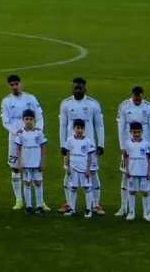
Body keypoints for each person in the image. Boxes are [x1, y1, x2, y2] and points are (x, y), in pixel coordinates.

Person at [58, 77, 106, 215]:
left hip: (89, 147)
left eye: (80, 87)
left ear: (85, 89)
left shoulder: (93, 104)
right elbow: (63, 125)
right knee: (68, 173)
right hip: (71, 147)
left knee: (93, 173)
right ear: (72, 88)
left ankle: (96, 204)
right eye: (75, 87)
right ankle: (69, 203)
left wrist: (101, 144)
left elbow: (99, 125)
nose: (77, 89)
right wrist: (63, 145)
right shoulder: (66, 104)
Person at [1, 74, 44, 210]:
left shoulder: (31, 98)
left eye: (16, 84)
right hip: (16, 138)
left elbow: (39, 116)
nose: (14, 87)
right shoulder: (6, 101)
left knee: (36, 166)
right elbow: (5, 121)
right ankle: (19, 200)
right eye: (12, 85)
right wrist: (17, 131)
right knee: (16, 167)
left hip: (32, 137)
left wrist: (39, 131)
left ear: (21, 84)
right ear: (9, 86)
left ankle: (40, 202)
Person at [116, 85, 150, 219]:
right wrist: (122, 146)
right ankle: (124, 208)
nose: (137, 100)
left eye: (139, 98)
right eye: (135, 98)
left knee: (149, 177)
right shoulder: (124, 106)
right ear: (132, 95)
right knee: (125, 176)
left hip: (145, 148)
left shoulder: (149, 107)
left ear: (142, 96)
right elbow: (121, 126)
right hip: (129, 147)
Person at [13, 109, 48, 214]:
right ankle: (28, 206)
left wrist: (42, 161)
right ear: (23, 120)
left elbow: (43, 147)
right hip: (26, 163)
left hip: (37, 163)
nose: (28, 121)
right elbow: (18, 149)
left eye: (31, 119)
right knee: (27, 183)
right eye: (26, 119)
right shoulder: (21, 133)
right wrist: (19, 162)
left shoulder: (39, 132)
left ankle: (39, 206)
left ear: (34, 120)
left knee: (38, 183)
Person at [61, 119, 98, 217]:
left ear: (84, 129)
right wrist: (68, 167)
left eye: (81, 128)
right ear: (74, 129)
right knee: (73, 188)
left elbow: (90, 157)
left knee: (87, 188)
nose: (79, 130)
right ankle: (72, 209)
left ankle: (88, 209)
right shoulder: (70, 140)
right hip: (73, 169)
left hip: (84, 169)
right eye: (78, 128)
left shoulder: (87, 141)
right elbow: (67, 155)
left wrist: (88, 169)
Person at [122, 122, 150, 221]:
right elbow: (126, 157)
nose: (136, 134)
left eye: (138, 132)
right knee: (131, 191)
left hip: (143, 172)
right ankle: (131, 212)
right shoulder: (128, 143)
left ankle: (147, 213)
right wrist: (127, 170)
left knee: (145, 192)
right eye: (134, 132)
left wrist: (149, 171)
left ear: (142, 132)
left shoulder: (146, 143)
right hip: (132, 172)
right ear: (131, 132)